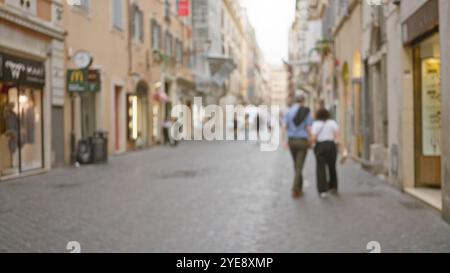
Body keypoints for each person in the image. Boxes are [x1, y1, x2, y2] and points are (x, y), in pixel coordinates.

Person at [283, 92, 313, 198]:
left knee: (296, 165)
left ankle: (299, 189)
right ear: (303, 101)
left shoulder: (288, 112)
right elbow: (309, 128)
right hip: (302, 141)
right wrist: (312, 140)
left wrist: (284, 141)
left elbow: (284, 127)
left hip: (291, 141)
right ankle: (295, 189)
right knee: (299, 167)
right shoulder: (306, 112)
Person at [311, 108, 340, 198]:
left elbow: (313, 137)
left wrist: (313, 145)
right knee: (332, 167)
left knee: (320, 168)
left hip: (320, 146)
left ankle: (322, 190)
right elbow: (337, 135)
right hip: (331, 145)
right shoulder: (332, 123)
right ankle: (333, 187)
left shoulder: (316, 124)